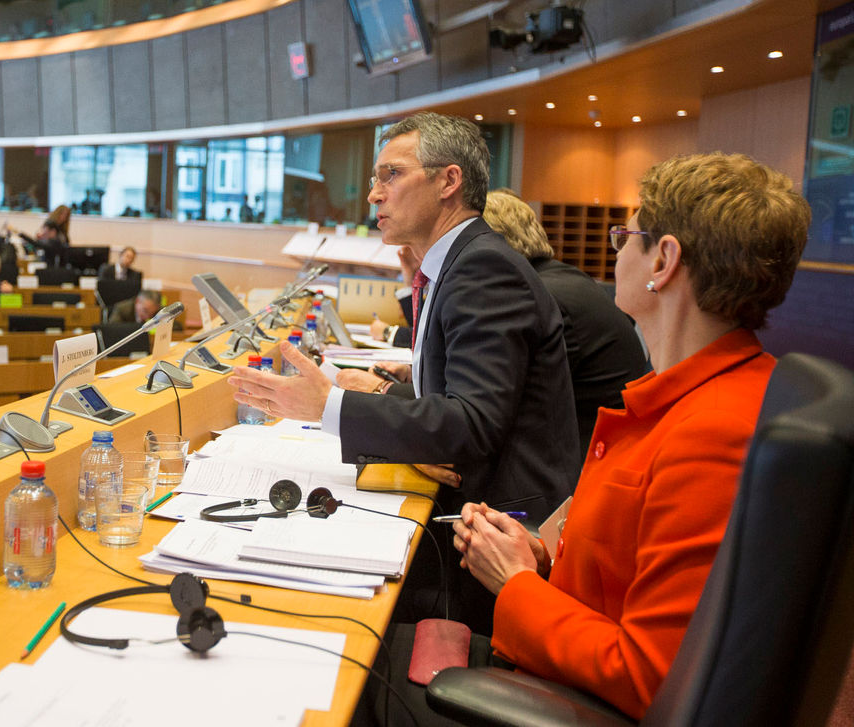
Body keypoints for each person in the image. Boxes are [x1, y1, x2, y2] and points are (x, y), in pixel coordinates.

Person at [449, 153, 809, 720]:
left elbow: (650, 675)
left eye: (626, 236)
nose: (616, 251)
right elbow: (629, 574)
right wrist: (540, 559)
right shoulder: (691, 398)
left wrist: (516, 583)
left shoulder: (714, 435)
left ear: (664, 261)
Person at [228, 112, 580, 632]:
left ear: (448, 181)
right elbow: (454, 396)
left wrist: (329, 407)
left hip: (497, 537)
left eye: (390, 175)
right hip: (472, 513)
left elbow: (473, 424)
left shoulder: (483, 266)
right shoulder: (457, 261)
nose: (373, 194)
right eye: (375, 178)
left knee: (319, 603)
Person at [345, 190, 651, 462]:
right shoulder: (551, 280)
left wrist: (381, 389)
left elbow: (483, 409)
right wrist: (414, 376)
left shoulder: (531, 296)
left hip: (578, 472)